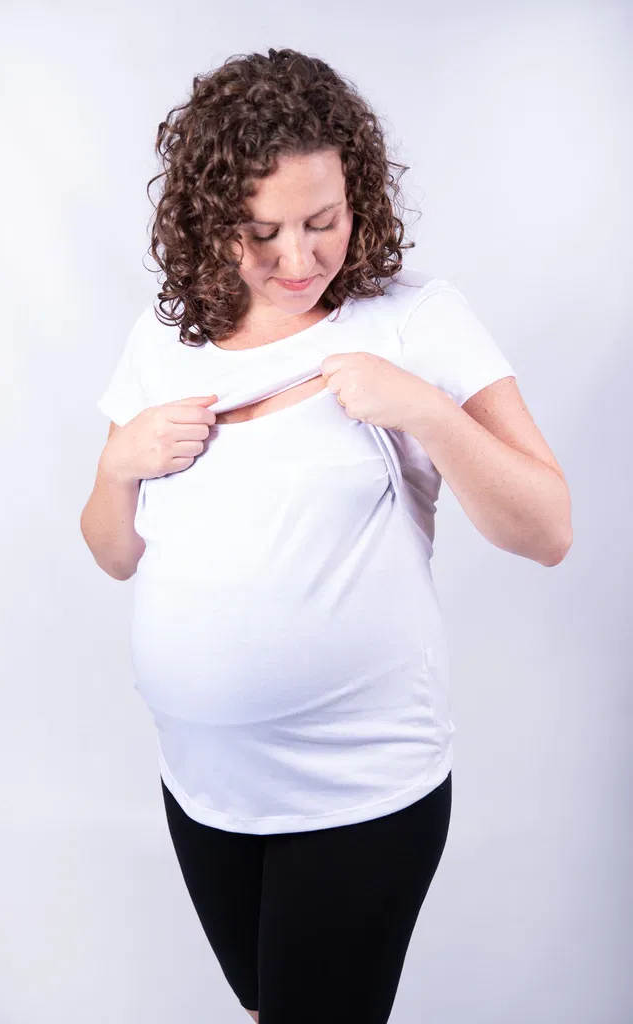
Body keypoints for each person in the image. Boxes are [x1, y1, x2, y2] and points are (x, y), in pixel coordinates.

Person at [80, 47, 572, 1024]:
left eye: (324, 222)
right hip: (206, 787)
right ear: (209, 217)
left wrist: (420, 409)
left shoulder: (414, 321)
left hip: (360, 787)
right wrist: (118, 464)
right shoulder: (164, 340)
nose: (300, 261)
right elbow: (114, 552)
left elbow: (548, 528)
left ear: (360, 198)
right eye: (263, 232)